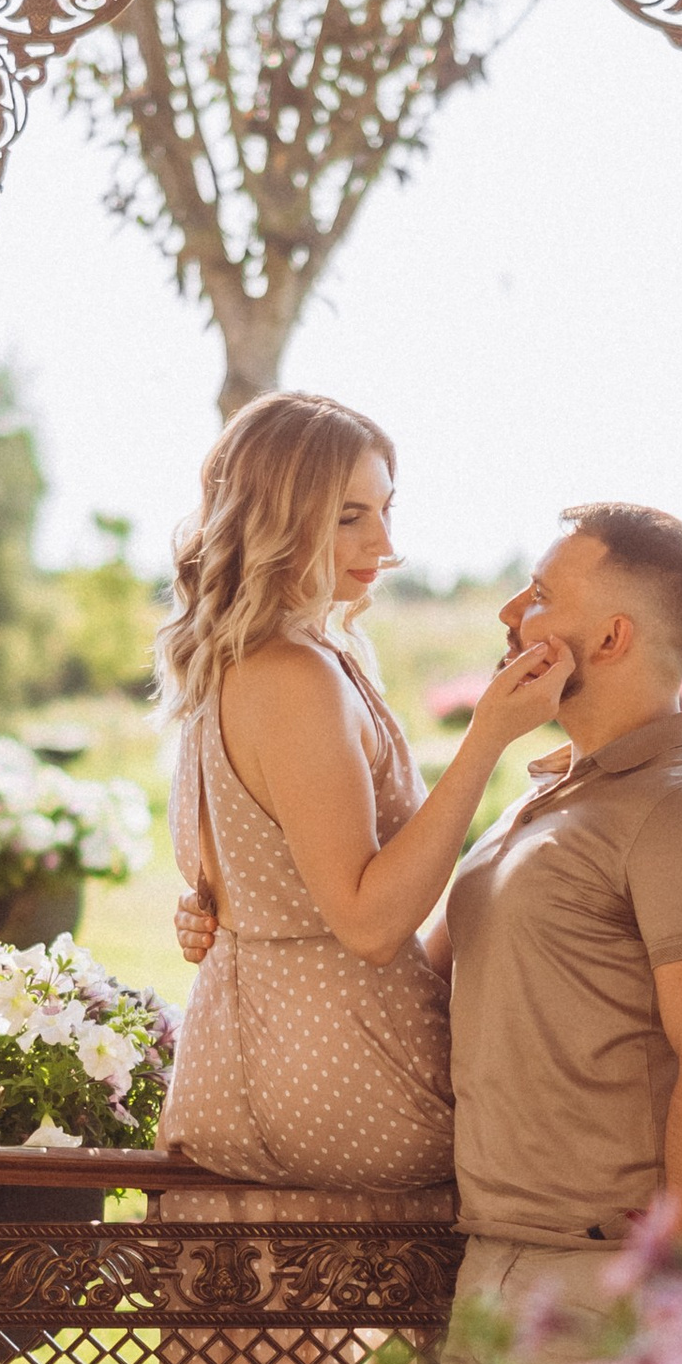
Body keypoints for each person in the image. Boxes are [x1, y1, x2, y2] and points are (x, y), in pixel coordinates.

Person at [158, 389, 571, 1199]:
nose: (385, 543)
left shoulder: (252, 661)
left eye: (384, 509)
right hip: (341, 1075)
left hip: (251, 1067)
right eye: (349, 516)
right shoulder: (295, 675)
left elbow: (270, 874)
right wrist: (487, 739)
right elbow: (372, 923)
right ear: (276, 518)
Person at [428, 500, 682, 1347]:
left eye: (539, 595)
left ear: (611, 639)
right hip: (494, 1272)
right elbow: (424, 977)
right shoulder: (545, 797)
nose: (509, 615)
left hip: (612, 1287)